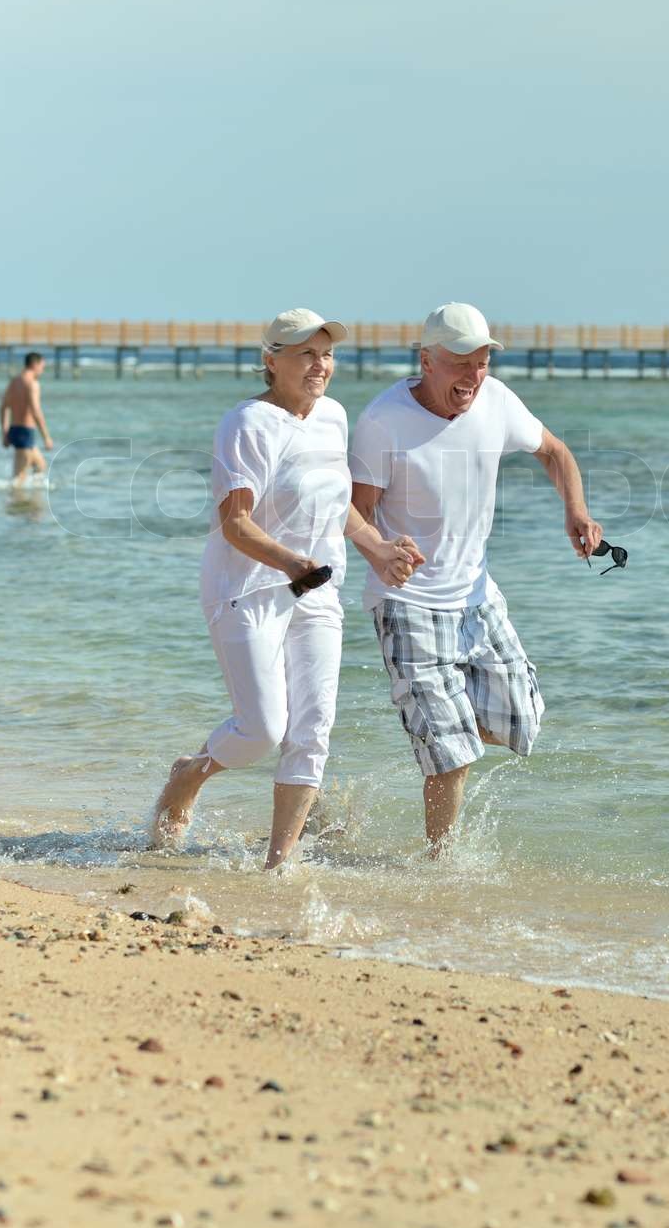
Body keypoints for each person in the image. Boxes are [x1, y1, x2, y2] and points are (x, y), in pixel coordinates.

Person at [151, 308, 422, 868]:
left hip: (318, 590)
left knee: (312, 729)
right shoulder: (247, 423)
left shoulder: (334, 417)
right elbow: (236, 523)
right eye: (304, 354)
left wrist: (377, 547)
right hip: (247, 587)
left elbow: (334, 502)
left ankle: (278, 866)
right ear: (271, 361)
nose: (319, 365)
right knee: (261, 729)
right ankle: (190, 774)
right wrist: (291, 563)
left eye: (325, 354)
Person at [351, 301, 603, 853]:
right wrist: (379, 550)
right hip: (408, 603)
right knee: (454, 756)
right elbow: (354, 511)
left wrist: (576, 510)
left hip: (478, 600)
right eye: (460, 361)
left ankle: (438, 734)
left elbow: (555, 452)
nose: (473, 375)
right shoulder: (381, 421)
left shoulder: (497, 401)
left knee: (522, 721)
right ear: (427, 360)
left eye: (482, 361)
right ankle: (441, 862)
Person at [0, 353, 53, 480]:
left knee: (41, 466)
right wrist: (46, 437)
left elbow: (3, 407)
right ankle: (15, 498)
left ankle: (32, 498)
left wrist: (5, 432)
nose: (42, 371)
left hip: (14, 430)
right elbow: (36, 411)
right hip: (25, 432)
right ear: (35, 365)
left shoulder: (14, 382)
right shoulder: (32, 384)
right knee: (19, 478)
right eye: (42, 367)